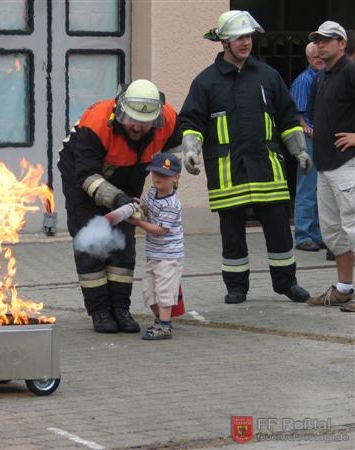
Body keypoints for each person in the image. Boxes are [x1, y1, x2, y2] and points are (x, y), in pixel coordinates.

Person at [178, 10, 311, 305]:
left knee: (279, 231)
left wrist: (298, 150)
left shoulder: (268, 75)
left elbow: (288, 117)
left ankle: (286, 283)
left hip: (267, 169)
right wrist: (190, 151)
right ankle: (237, 287)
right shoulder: (206, 82)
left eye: (248, 36)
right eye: (239, 37)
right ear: (224, 41)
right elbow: (191, 122)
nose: (246, 42)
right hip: (228, 173)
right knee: (233, 234)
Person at [58, 79, 182, 333]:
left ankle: (121, 309)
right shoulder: (95, 124)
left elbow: (174, 151)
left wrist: (168, 190)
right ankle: (100, 311)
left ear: (155, 117)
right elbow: (86, 176)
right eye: (131, 119)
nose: (136, 126)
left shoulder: (167, 117)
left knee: (123, 242)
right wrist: (117, 200)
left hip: (128, 174)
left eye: (143, 122)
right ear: (121, 109)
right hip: (83, 178)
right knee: (92, 242)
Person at [302, 21, 355, 309]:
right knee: (334, 233)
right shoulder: (321, 76)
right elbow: (311, 114)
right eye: (318, 41)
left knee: (354, 228)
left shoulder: (350, 71)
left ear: (342, 44)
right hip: (325, 167)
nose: (321, 45)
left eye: (327, 40)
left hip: (348, 165)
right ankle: (345, 288)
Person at [128, 153, 183, 340]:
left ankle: (165, 327)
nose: (158, 178)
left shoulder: (172, 204)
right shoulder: (152, 192)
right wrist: (140, 208)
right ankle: (161, 320)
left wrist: (139, 224)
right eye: (155, 173)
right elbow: (147, 209)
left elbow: (160, 229)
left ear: (176, 178)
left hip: (168, 257)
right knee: (149, 292)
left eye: (164, 175)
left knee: (164, 292)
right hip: (153, 255)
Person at [290, 43, 325, 252]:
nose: (320, 60)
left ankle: (318, 235)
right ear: (308, 59)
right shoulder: (304, 80)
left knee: (321, 189)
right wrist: (306, 128)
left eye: (321, 56)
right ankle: (303, 235)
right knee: (307, 189)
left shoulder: (324, 77)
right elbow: (296, 112)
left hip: (322, 140)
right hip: (309, 140)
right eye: (315, 58)